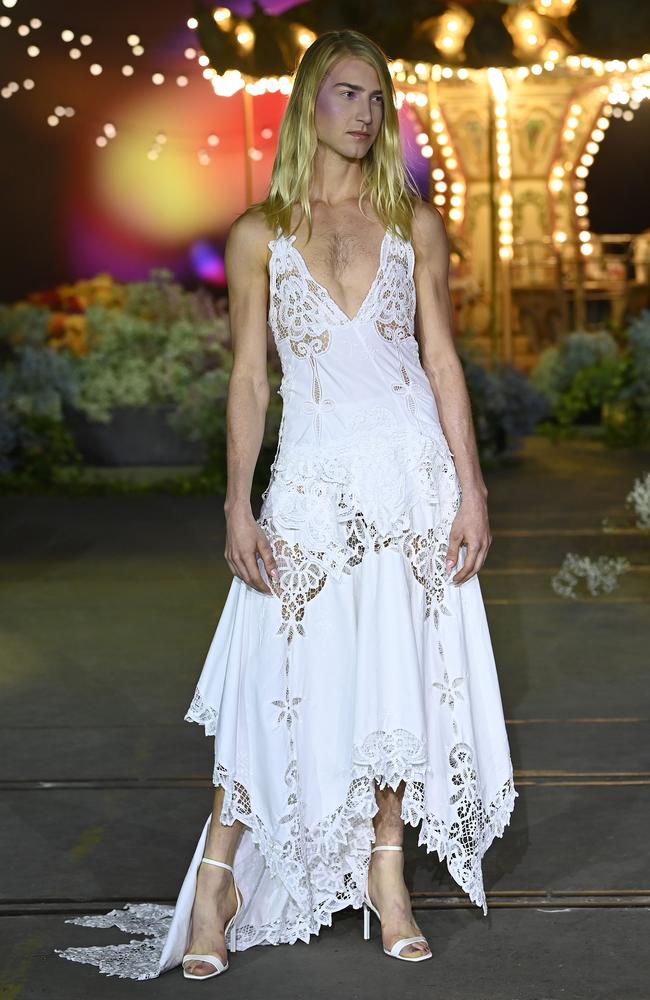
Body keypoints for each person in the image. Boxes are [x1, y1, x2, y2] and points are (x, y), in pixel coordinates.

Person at [55, 28, 518, 981]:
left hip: (408, 473)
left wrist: (470, 489)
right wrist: (237, 504)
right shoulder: (259, 233)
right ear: (311, 102)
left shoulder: (414, 225)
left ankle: (389, 878)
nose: (367, 111)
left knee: (397, 670)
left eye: (378, 97)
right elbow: (249, 383)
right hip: (308, 475)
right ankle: (219, 880)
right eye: (349, 93)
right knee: (272, 676)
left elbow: (439, 362)